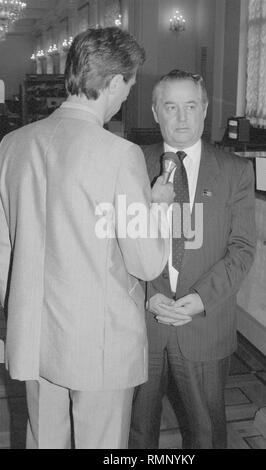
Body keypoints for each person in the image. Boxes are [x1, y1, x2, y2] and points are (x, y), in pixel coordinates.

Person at [0, 28, 174, 449]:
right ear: (114, 82)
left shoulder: (11, 145)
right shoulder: (119, 154)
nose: (125, 97)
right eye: (129, 87)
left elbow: (5, 252)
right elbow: (147, 262)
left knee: (45, 441)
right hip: (99, 342)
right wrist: (158, 206)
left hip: (35, 336)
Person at [129, 69, 256, 449]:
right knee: (137, 430)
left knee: (206, 431)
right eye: (171, 107)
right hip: (143, 323)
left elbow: (242, 248)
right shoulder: (131, 164)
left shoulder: (236, 171)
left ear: (204, 110)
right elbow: (116, 244)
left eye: (190, 106)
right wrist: (149, 294)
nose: (182, 118)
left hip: (205, 324)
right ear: (155, 112)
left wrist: (200, 299)